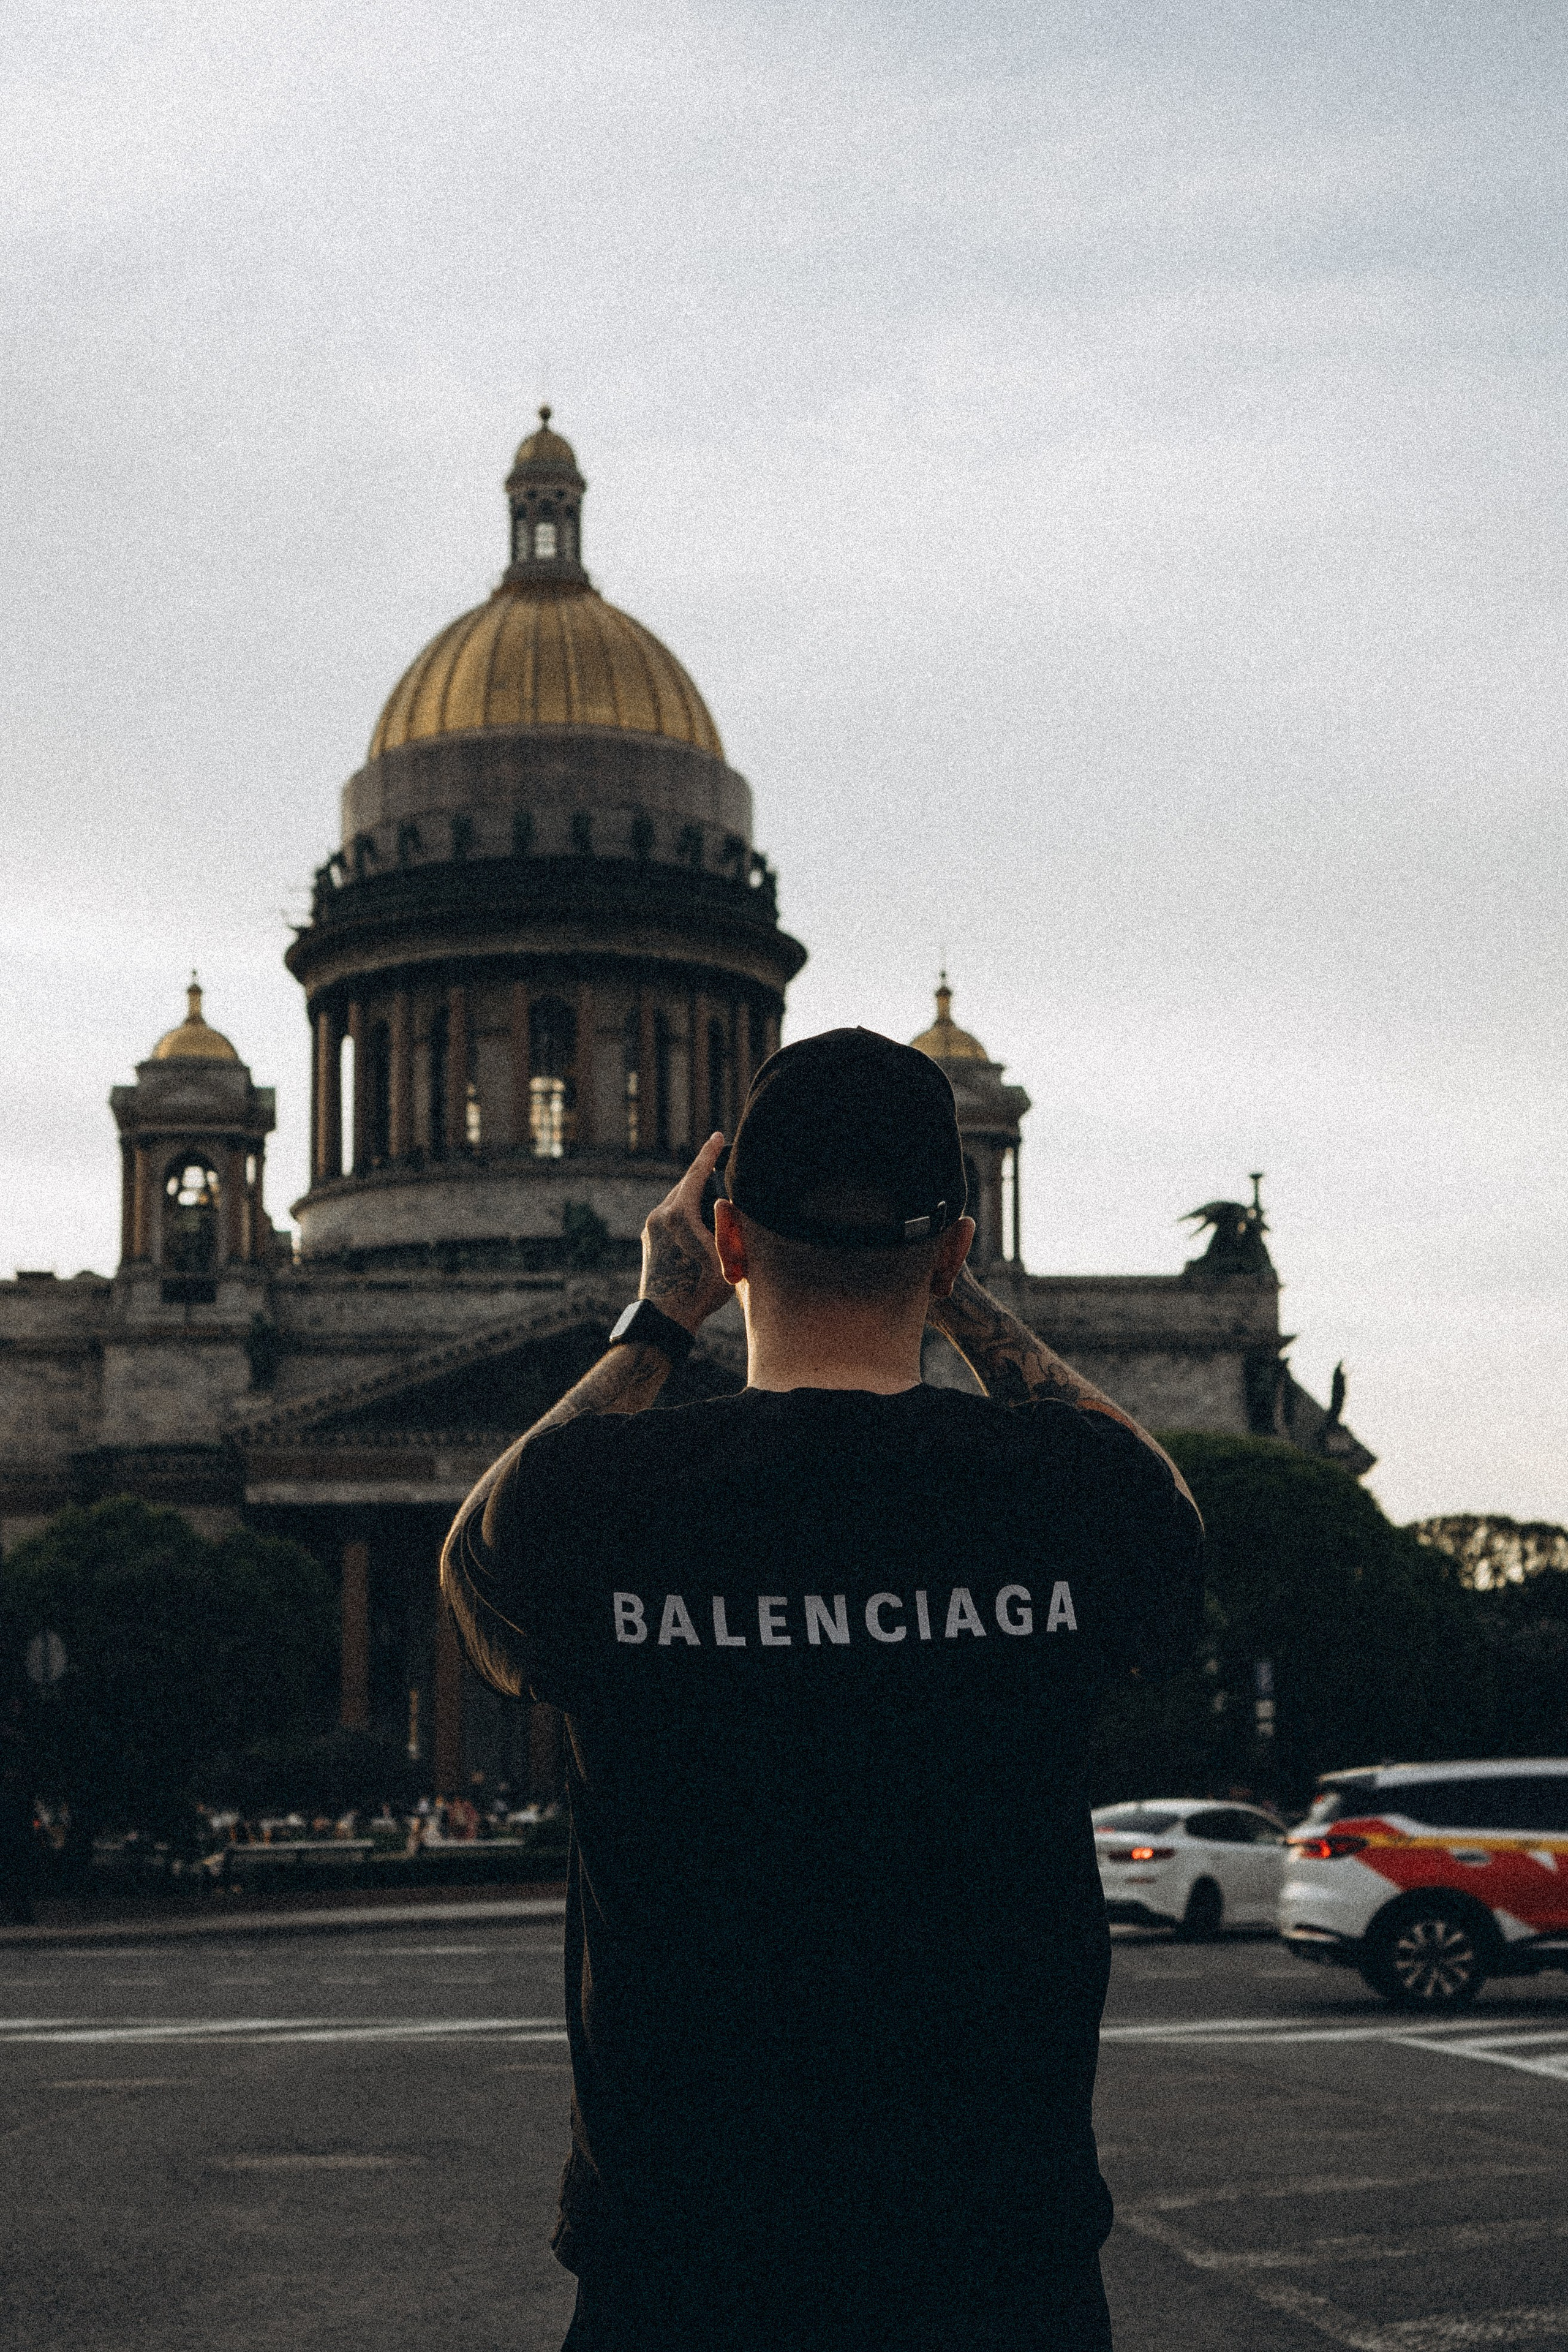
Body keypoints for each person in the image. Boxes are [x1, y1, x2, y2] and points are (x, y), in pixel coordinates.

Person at [443, 1028, 1204, 2351]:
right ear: (955, 1245)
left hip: (684, 2269)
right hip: (996, 2263)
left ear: (724, 1240)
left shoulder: (596, 1504)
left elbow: (471, 1555)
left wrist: (657, 1316)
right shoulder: (1068, 1498)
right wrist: (965, 1303)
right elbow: (1169, 1514)